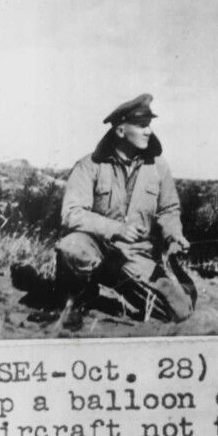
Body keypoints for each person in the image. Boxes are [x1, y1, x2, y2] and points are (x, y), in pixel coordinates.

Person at [51, 94, 192, 325]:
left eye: (149, 125)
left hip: (135, 255)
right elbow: (72, 213)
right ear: (120, 131)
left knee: (178, 313)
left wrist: (174, 234)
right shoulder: (89, 166)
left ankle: (128, 286)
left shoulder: (159, 167)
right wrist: (116, 228)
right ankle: (76, 300)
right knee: (71, 247)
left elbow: (169, 209)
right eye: (142, 125)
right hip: (96, 246)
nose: (148, 131)